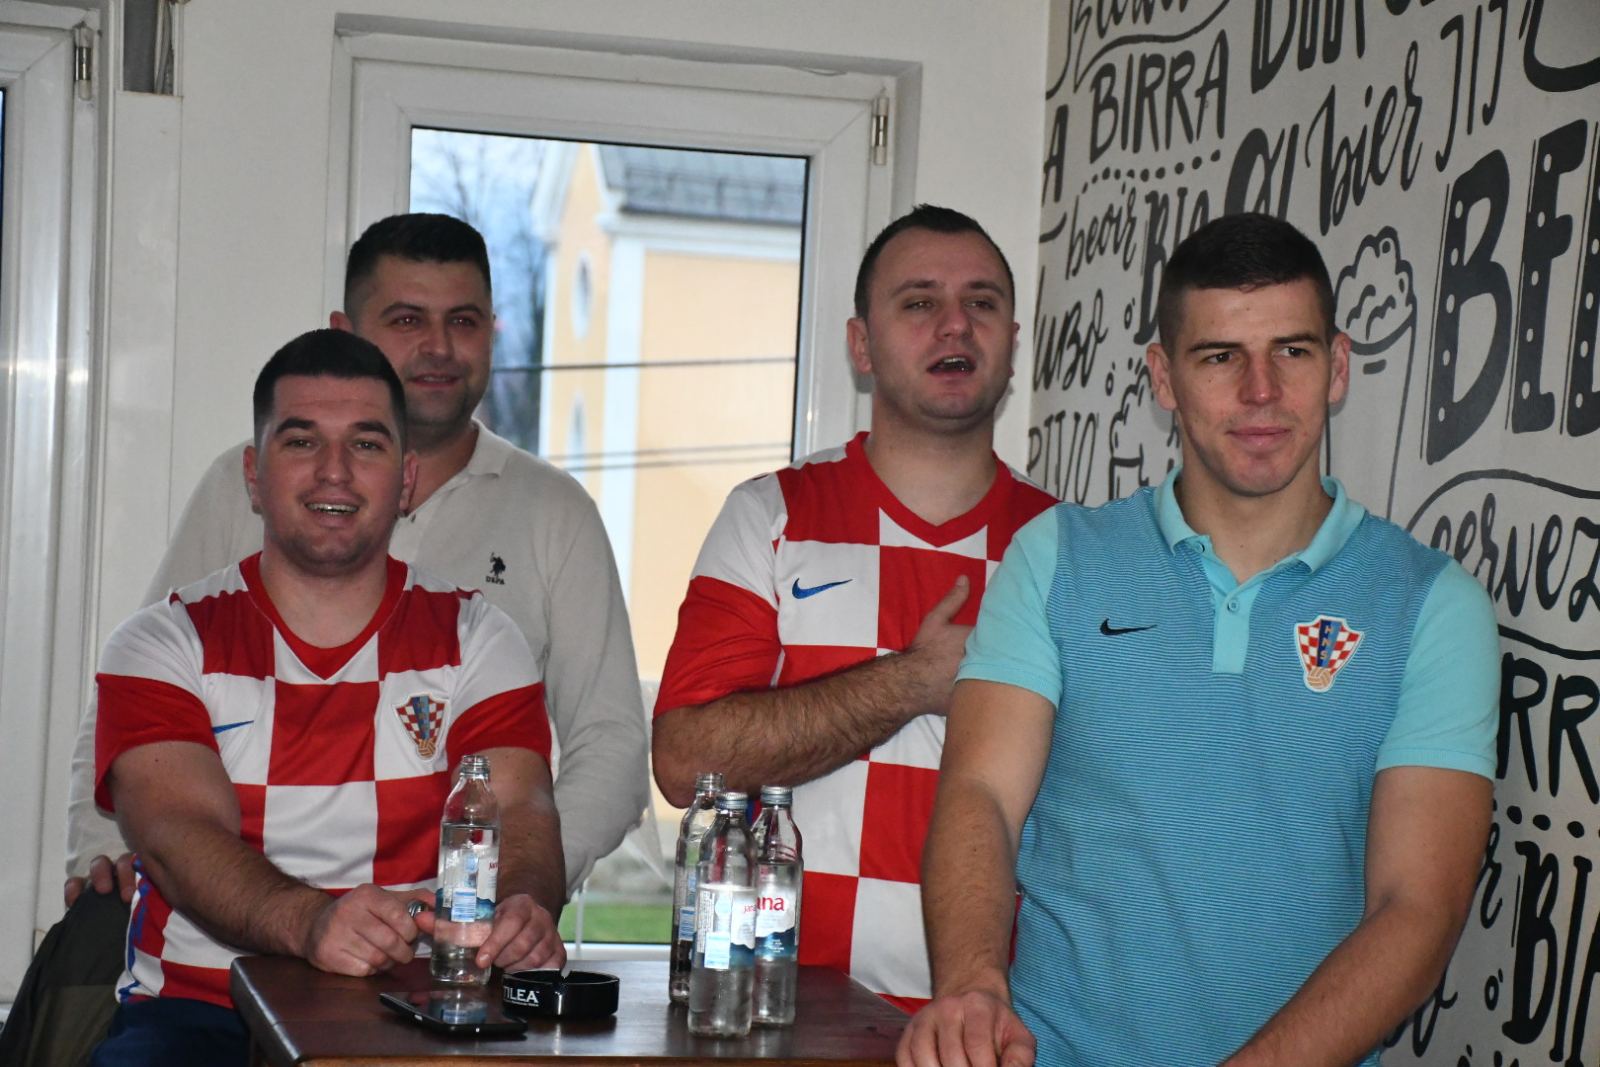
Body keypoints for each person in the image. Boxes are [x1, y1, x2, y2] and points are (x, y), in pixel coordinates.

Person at [899, 213, 1499, 1067]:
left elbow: (1417, 909)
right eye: (1220, 357)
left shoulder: (1433, 604)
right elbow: (982, 796)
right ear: (1164, 377)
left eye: (1292, 351)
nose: (1261, 391)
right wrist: (972, 984)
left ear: (1338, 366)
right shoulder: (1057, 557)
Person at [66, 213, 647, 906]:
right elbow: (142, 685)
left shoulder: (556, 511)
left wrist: (507, 890)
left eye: (464, 322)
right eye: (407, 320)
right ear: (345, 332)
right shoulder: (250, 485)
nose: (438, 348)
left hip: (449, 943)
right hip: (233, 934)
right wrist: (103, 848)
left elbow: (611, 746)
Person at [89, 330, 565, 1064]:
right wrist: (310, 922)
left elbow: (521, 813)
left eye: (366, 444)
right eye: (302, 441)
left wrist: (525, 906)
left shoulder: (479, 637)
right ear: (253, 476)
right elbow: (180, 836)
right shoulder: (161, 643)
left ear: (406, 479)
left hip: (420, 1006)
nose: (334, 471)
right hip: (203, 1012)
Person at [653, 205, 1056, 1009]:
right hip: (782, 1015)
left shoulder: (1068, 546)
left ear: (1013, 340)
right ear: (861, 345)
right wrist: (914, 682)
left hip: (997, 1025)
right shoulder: (772, 515)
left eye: (981, 302)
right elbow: (683, 759)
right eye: (919, 302)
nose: (955, 324)